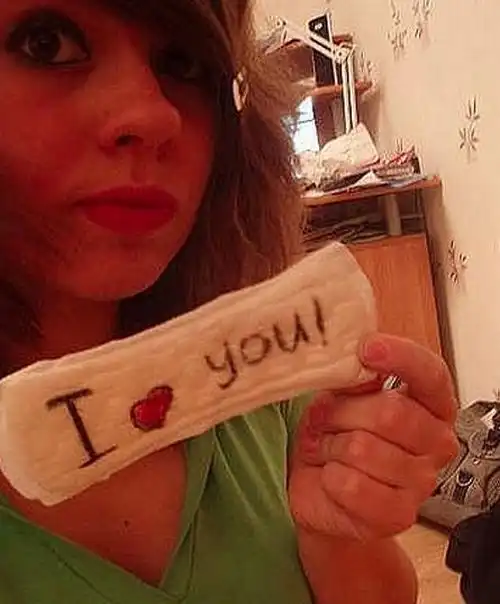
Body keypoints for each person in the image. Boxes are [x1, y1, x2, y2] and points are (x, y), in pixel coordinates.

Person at [0, 0, 459, 602]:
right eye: (47, 44)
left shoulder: (266, 372)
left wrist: (337, 534)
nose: (154, 114)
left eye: (184, 63)